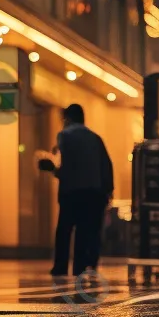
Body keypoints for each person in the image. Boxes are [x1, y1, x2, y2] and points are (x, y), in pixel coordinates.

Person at [47, 105, 114, 278]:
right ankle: (81, 267)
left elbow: (68, 164)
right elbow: (106, 164)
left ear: (68, 119)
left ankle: (60, 267)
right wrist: (108, 190)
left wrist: (55, 171)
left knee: (65, 229)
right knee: (86, 230)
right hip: (93, 192)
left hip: (71, 190)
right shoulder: (95, 138)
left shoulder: (64, 135)